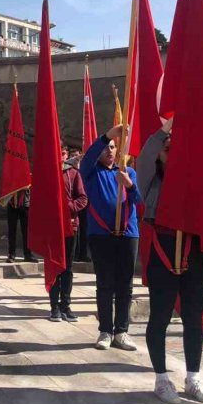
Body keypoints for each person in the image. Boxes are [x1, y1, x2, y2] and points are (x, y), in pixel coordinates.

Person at [137, 118, 203, 404]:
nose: (172, 153)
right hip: (163, 249)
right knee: (160, 317)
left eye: (177, 150)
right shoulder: (150, 179)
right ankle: (161, 379)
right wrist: (167, 128)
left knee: (194, 317)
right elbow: (146, 152)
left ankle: (193, 377)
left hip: (193, 251)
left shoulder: (195, 179)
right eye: (168, 149)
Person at [80, 124, 140, 351]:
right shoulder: (92, 171)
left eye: (114, 147)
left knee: (125, 285)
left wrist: (130, 186)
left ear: (119, 151)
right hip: (101, 235)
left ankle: (121, 331)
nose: (109, 150)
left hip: (127, 234)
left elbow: (139, 201)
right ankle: (105, 330)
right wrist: (107, 136)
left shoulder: (128, 172)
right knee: (104, 284)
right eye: (106, 147)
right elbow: (89, 157)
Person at [49, 146, 88, 322]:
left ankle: (66, 305)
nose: (61, 156)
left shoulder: (74, 174)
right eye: (58, 152)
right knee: (54, 267)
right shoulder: (47, 172)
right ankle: (54, 307)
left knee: (67, 268)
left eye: (64, 153)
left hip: (71, 226)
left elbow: (83, 198)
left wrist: (67, 209)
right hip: (53, 228)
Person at [6, 189, 36, 263]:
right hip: (12, 202)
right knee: (12, 230)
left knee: (26, 231)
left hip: (25, 202)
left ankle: (28, 254)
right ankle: (11, 254)